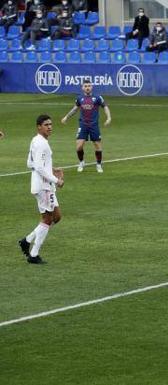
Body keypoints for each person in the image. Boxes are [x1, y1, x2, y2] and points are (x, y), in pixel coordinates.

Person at [18, 114, 65, 264]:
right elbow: (38, 167)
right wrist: (56, 179)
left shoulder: (36, 140)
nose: (50, 127)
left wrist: (51, 168)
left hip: (44, 185)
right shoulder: (42, 144)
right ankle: (33, 254)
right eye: (46, 125)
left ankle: (27, 240)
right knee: (47, 218)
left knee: (56, 216)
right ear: (39, 127)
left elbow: (29, 163)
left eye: (51, 124)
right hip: (44, 186)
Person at [61, 80, 111, 173]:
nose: (87, 87)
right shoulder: (80, 98)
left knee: (97, 145)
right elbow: (75, 109)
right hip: (83, 125)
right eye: (85, 86)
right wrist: (66, 117)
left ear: (92, 87)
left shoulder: (97, 98)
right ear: (82, 87)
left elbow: (105, 107)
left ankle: (99, 164)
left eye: (89, 86)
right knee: (79, 146)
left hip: (94, 125)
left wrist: (109, 118)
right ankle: (81, 162)